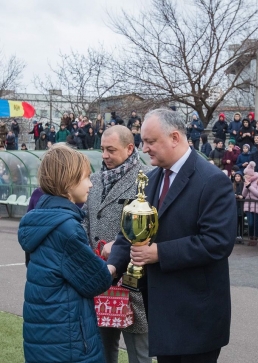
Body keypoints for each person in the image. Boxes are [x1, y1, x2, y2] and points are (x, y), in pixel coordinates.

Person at [107, 108, 237, 363]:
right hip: (163, 315)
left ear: (175, 138)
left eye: (150, 141)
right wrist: (111, 268)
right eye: (143, 141)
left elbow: (217, 242)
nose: (144, 149)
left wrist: (158, 253)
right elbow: (130, 232)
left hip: (198, 320)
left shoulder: (212, 181)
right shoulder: (151, 178)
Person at [18, 144, 113, 363]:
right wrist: (113, 261)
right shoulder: (65, 228)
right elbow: (96, 280)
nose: (90, 184)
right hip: (66, 340)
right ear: (69, 181)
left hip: (46, 334)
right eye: (86, 177)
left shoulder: (43, 217)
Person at [83, 125, 152, 363]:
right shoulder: (93, 180)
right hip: (100, 277)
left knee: (139, 353)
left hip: (134, 281)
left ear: (129, 148)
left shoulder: (147, 179)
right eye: (102, 149)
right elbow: (85, 221)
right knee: (103, 350)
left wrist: (120, 244)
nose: (104, 155)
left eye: (110, 150)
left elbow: (156, 227)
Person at [242, 161, 258, 246]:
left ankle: (255, 238)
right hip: (248, 205)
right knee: (250, 223)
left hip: (256, 205)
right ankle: (251, 237)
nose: (246, 176)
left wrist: (249, 187)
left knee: (255, 223)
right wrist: (246, 186)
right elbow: (244, 194)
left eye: (247, 175)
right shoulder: (246, 181)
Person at [233, 171, 245, 244]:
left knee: (242, 222)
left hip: (241, 205)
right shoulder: (232, 185)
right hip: (235, 205)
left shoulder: (243, 184)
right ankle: (236, 237)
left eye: (238, 176)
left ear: (241, 177)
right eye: (236, 176)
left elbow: (244, 194)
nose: (237, 177)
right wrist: (237, 196)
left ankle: (241, 237)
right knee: (236, 222)